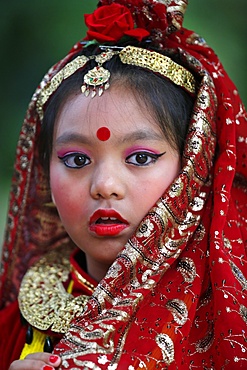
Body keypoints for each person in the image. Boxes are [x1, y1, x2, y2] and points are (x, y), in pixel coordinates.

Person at [1, 0, 247, 369]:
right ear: (43, 174)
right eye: (77, 160)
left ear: (194, 171)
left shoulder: (232, 324)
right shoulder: (12, 327)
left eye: (141, 158)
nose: (105, 185)